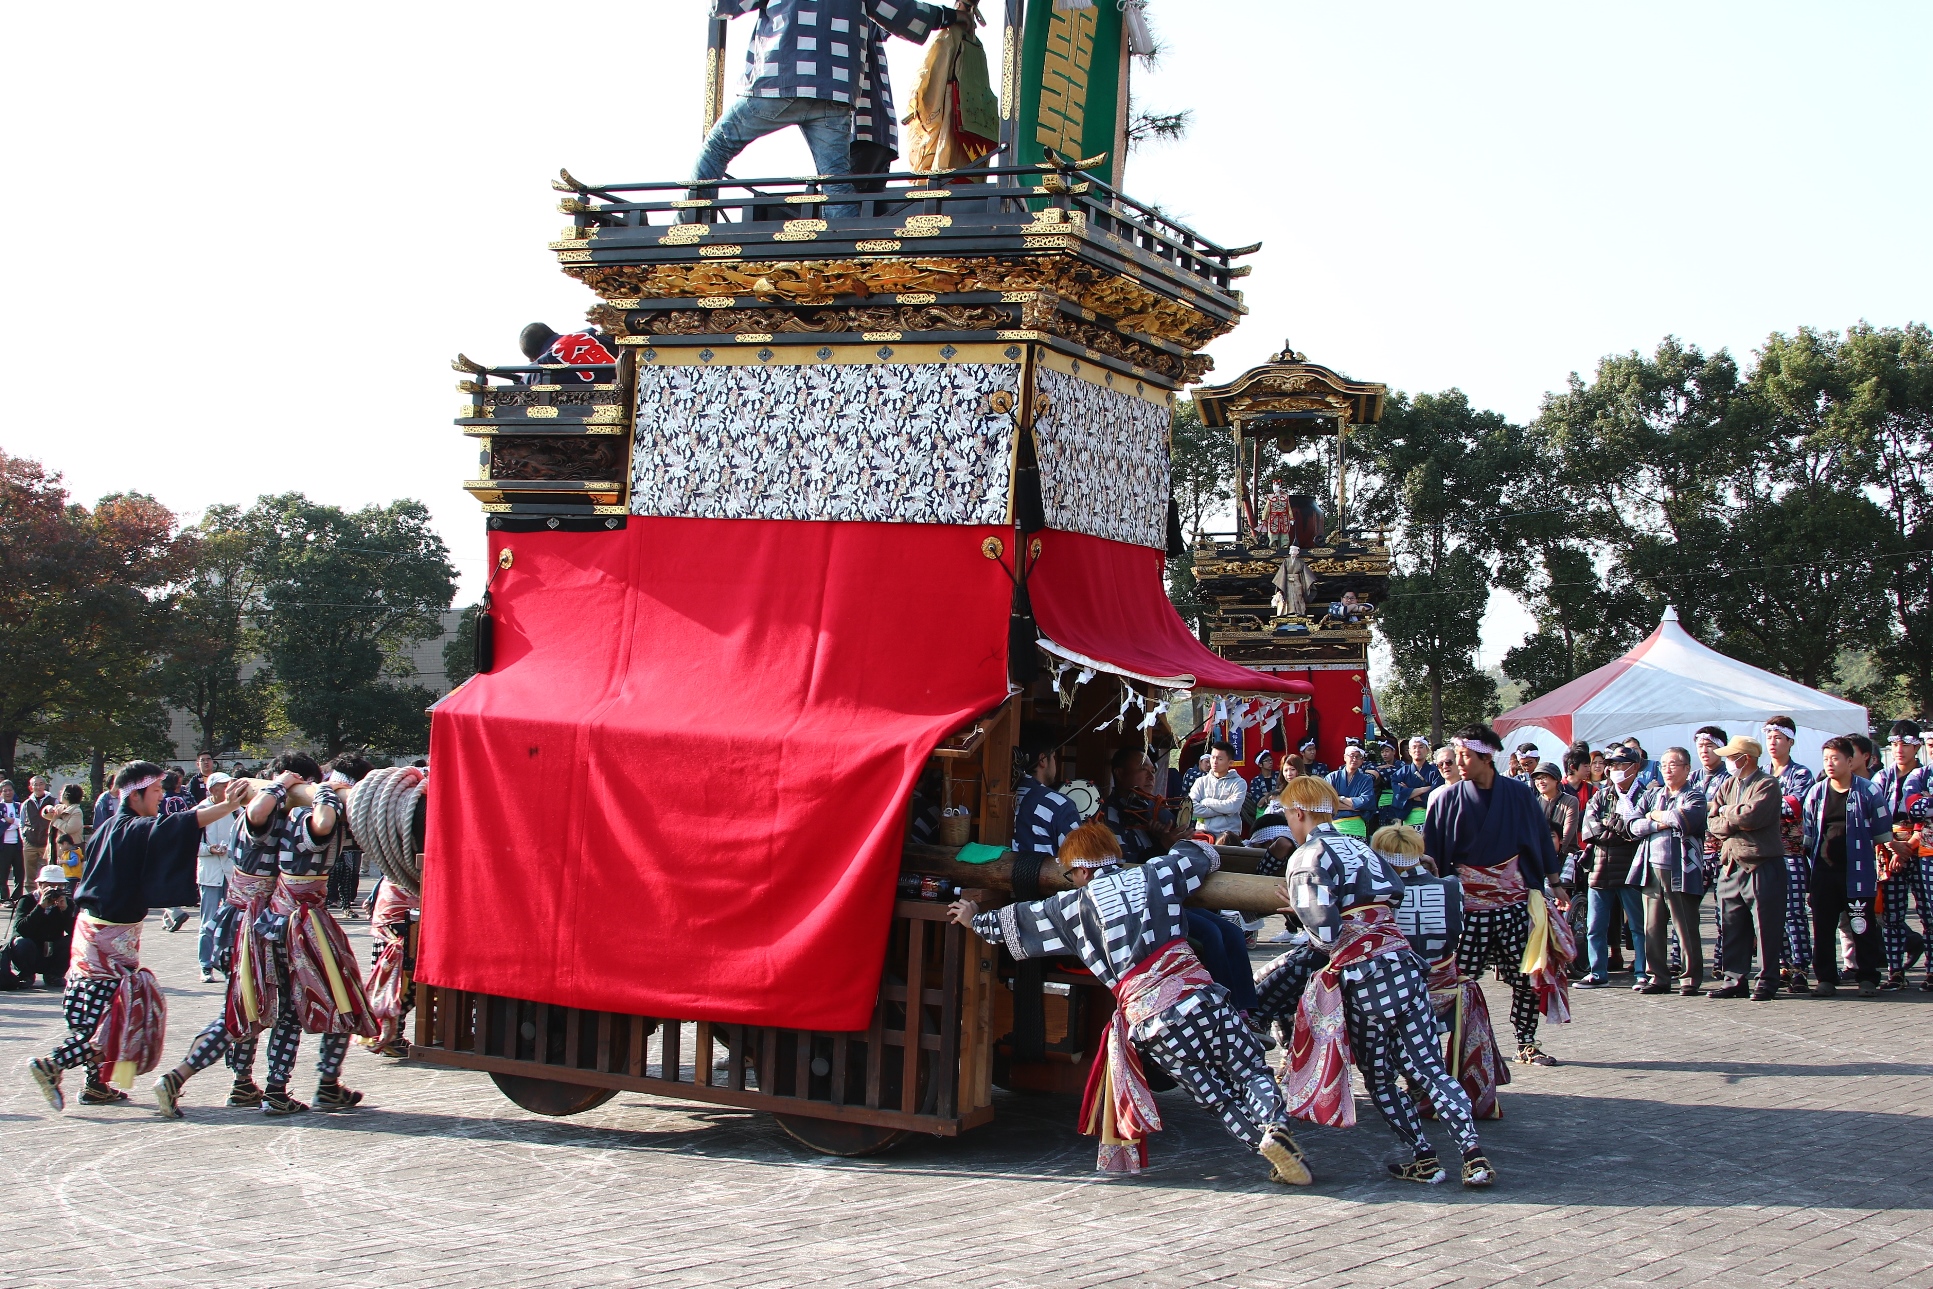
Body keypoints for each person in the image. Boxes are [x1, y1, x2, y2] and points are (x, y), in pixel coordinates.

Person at [947, 819, 1309, 1184]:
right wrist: (1182, 841)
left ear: (1083, 869)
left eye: (1070, 874)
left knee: (1216, 1098)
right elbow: (1201, 854)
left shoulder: (1069, 908)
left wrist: (973, 918)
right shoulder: (1156, 875)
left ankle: (1267, 1149)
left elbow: (1013, 923)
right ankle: (1275, 1127)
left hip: (1153, 1026)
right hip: (1199, 1000)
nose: (1072, 880)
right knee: (1249, 1069)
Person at [1269, 778, 1494, 1186]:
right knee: (1428, 1067)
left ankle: (1425, 1157)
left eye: (1287, 814)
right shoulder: (1359, 847)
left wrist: (1299, 916)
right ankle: (1473, 1154)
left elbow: (1323, 935)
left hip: (1363, 972)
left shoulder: (1307, 856)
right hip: (1404, 963)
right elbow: (1392, 893)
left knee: (1379, 1075)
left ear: (1297, 813)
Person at [155, 752, 378, 1118]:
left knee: (250, 1006)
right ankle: (287, 1087)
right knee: (287, 1005)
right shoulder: (286, 814)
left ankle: (244, 1084)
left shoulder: (274, 811)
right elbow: (309, 823)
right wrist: (319, 792)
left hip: (256, 921)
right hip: (271, 925)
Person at [28, 761, 247, 1112]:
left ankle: (99, 1086)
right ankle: (51, 1064)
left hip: (98, 932)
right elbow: (177, 826)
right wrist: (228, 806)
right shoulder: (131, 827)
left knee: (103, 1015)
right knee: (124, 1017)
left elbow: (168, 827)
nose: (162, 798)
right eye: (157, 792)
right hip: (107, 938)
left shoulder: (112, 827)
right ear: (136, 795)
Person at [688, 0, 969, 222]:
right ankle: (846, 252)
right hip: (835, 88)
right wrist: (951, 16)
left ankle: (691, 225)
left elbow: (721, 5)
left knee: (716, 147)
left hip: (779, 80)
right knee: (835, 181)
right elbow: (901, 12)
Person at [1423, 723, 1568, 1067]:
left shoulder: (1518, 795)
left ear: (1485, 759)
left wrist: (1554, 881)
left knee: (1525, 976)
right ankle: (1453, 1047)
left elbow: (1539, 840)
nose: (1459, 763)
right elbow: (1431, 855)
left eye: (1465, 756)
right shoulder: (1446, 798)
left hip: (1514, 902)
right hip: (1467, 908)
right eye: (1457, 756)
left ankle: (1526, 1042)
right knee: (1460, 980)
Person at [1800, 736, 1891, 997]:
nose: (1830, 764)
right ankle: (1826, 978)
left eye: (1835, 758)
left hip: (1858, 872)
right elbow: (1808, 834)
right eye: (1826, 759)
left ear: (1850, 761)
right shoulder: (1817, 792)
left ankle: (1867, 978)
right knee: (1824, 926)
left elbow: (1881, 831)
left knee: (1862, 925)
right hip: (1824, 871)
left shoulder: (1868, 791)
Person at [1706, 735, 1787, 1000]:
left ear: (1746, 758)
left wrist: (1727, 813)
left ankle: (1766, 980)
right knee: (1731, 924)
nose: (1728, 761)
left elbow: (1752, 817)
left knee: (1765, 927)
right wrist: (1732, 815)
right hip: (1730, 864)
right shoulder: (1728, 784)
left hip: (1762, 863)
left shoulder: (1768, 784)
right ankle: (1734, 979)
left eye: (1731, 757)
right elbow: (1712, 822)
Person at [1625, 748, 1708, 995]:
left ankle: (1690, 977)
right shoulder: (1652, 794)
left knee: (1685, 926)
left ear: (1686, 768)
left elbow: (1687, 819)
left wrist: (1656, 818)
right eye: (1663, 764)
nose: (1668, 769)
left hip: (1682, 868)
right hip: (1650, 867)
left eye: (1674, 764)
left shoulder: (1695, 795)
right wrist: (1659, 822)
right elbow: (1632, 824)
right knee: (1652, 925)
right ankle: (1657, 977)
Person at [1578, 747, 1648, 989]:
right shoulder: (1601, 795)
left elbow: (1638, 830)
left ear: (1635, 766)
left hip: (1632, 869)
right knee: (1595, 926)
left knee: (1638, 926)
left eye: (1621, 764)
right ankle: (1597, 972)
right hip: (1600, 868)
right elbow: (1589, 827)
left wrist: (1614, 828)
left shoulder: (1646, 795)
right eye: (1613, 765)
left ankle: (1642, 971)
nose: (1615, 769)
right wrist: (1617, 827)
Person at [1872, 719, 1932, 991]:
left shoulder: (1923, 775)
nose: (1899, 749)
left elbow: (1924, 817)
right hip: (1889, 848)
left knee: (1928, 912)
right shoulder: (1881, 778)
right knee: (1891, 915)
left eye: (1905, 744)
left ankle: (1931, 969)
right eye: (1894, 743)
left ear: (1918, 747)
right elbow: (1873, 816)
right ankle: (1895, 971)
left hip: (1920, 848)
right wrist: (1893, 847)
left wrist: (1909, 847)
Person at [1760, 716, 1816, 992]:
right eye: (1769, 737)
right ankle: (1781, 963)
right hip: (1765, 853)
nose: (1773, 742)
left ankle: (1800, 966)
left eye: (1778, 738)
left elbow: (1792, 807)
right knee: (1771, 913)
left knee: (1794, 913)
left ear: (1790, 741)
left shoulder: (1800, 774)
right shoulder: (1761, 772)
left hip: (1790, 853)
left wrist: (1760, 809)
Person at [194, 773, 241, 983]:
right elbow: (190, 843)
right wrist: (209, 849)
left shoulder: (237, 809)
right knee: (208, 921)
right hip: (210, 873)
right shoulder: (201, 811)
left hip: (230, 872)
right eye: (224, 787)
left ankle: (228, 963)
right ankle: (205, 966)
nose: (228, 790)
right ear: (213, 790)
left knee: (232, 920)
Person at [1, 864, 77, 989]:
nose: (54, 889)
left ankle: (54, 975)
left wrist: (65, 911)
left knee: (71, 941)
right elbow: (20, 929)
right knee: (21, 942)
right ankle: (27, 974)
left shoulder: (67, 902)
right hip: (30, 950)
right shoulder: (27, 900)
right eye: (49, 886)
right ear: (40, 885)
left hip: (52, 949)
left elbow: (74, 932)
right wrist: (40, 907)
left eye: (59, 886)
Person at [1012, 730, 1080, 858]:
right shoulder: (1057, 804)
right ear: (1042, 759)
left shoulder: (995, 796)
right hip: (1042, 877)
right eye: (1054, 757)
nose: (1055, 763)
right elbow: (1080, 861)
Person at [325, 754, 373, 916]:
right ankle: (330, 901)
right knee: (332, 872)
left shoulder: (357, 793)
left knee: (348, 872)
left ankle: (346, 905)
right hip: (331, 839)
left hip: (349, 841)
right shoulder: (327, 791)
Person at [1189, 741, 1247, 840]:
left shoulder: (1239, 783)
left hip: (1228, 834)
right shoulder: (1201, 781)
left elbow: (1232, 807)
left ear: (1230, 762)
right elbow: (1191, 807)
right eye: (1212, 757)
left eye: (1220, 759)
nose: (1214, 762)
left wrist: (1206, 802)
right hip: (1203, 833)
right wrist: (1222, 811)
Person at [1325, 742, 1378, 840]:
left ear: (1362, 760)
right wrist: (1355, 806)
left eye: (1358, 757)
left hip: (1357, 827)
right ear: (1345, 757)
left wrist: (1339, 799)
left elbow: (1366, 803)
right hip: (1335, 825)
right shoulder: (1332, 777)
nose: (1354, 759)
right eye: (1352, 756)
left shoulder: (1366, 780)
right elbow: (1327, 802)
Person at [43, 785, 86, 882]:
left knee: (69, 878)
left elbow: (69, 829)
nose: (60, 793)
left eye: (62, 791)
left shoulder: (76, 811)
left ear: (68, 795)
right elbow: (45, 815)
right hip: (56, 849)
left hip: (70, 851)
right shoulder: (60, 807)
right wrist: (48, 808)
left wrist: (55, 820)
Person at [20, 775, 54, 890]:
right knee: (29, 873)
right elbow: (22, 823)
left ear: (45, 786)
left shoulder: (53, 801)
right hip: (30, 842)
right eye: (35, 784)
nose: (38, 787)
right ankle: (30, 897)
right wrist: (24, 838)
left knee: (46, 871)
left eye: (40, 784)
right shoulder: (26, 803)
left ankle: (46, 895)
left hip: (46, 842)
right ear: (31, 787)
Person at [1245, 749, 1284, 821]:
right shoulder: (1256, 781)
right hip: (1263, 812)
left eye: (1271, 760)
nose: (1270, 762)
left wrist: (1265, 794)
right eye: (1267, 761)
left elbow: (1283, 792)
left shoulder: (1279, 776)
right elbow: (1259, 803)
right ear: (1260, 764)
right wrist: (1273, 792)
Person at [0, 780, 22, 903]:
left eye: (10, 790)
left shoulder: (19, 806)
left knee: (19, 872)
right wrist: (14, 823)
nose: (8, 793)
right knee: (3, 873)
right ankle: (4, 898)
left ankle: (17, 897)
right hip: (3, 845)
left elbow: (23, 822)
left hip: (18, 844)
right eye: (5, 791)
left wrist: (11, 821)